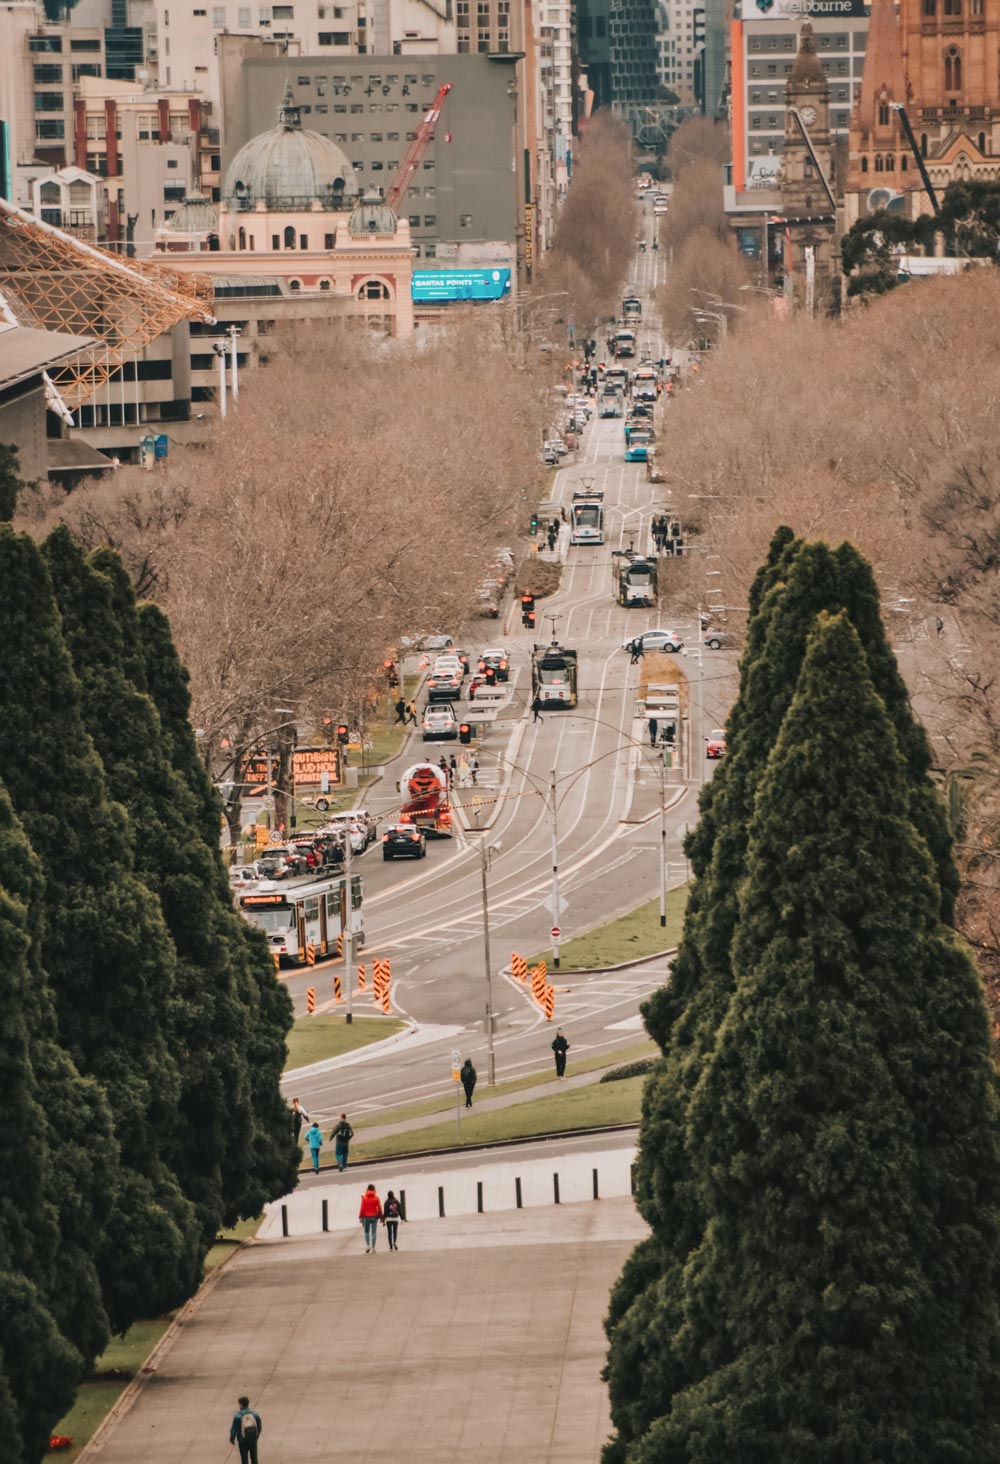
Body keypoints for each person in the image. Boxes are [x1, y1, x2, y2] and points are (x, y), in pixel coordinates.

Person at [230, 1397, 262, 1464]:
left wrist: (232, 1439)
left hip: (242, 1441)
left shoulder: (238, 1416)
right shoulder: (255, 1414)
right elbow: (259, 1427)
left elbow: (234, 1429)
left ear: (241, 1405)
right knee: (254, 1458)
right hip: (253, 1440)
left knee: (244, 1459)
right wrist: (256, 1436)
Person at [359, 1183, 383, 1252]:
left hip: (366, 1217)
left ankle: (368, 1245)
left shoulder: (364, 1198)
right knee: (374, 1232)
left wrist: (360, 1217)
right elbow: (380, 1208)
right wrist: (381, 1216)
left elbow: (362, 1208)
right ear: (374, 1189)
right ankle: (373, 1247)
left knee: (366, 1232)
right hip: (374, 1217)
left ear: (367, 1189)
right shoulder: (376, 1197)